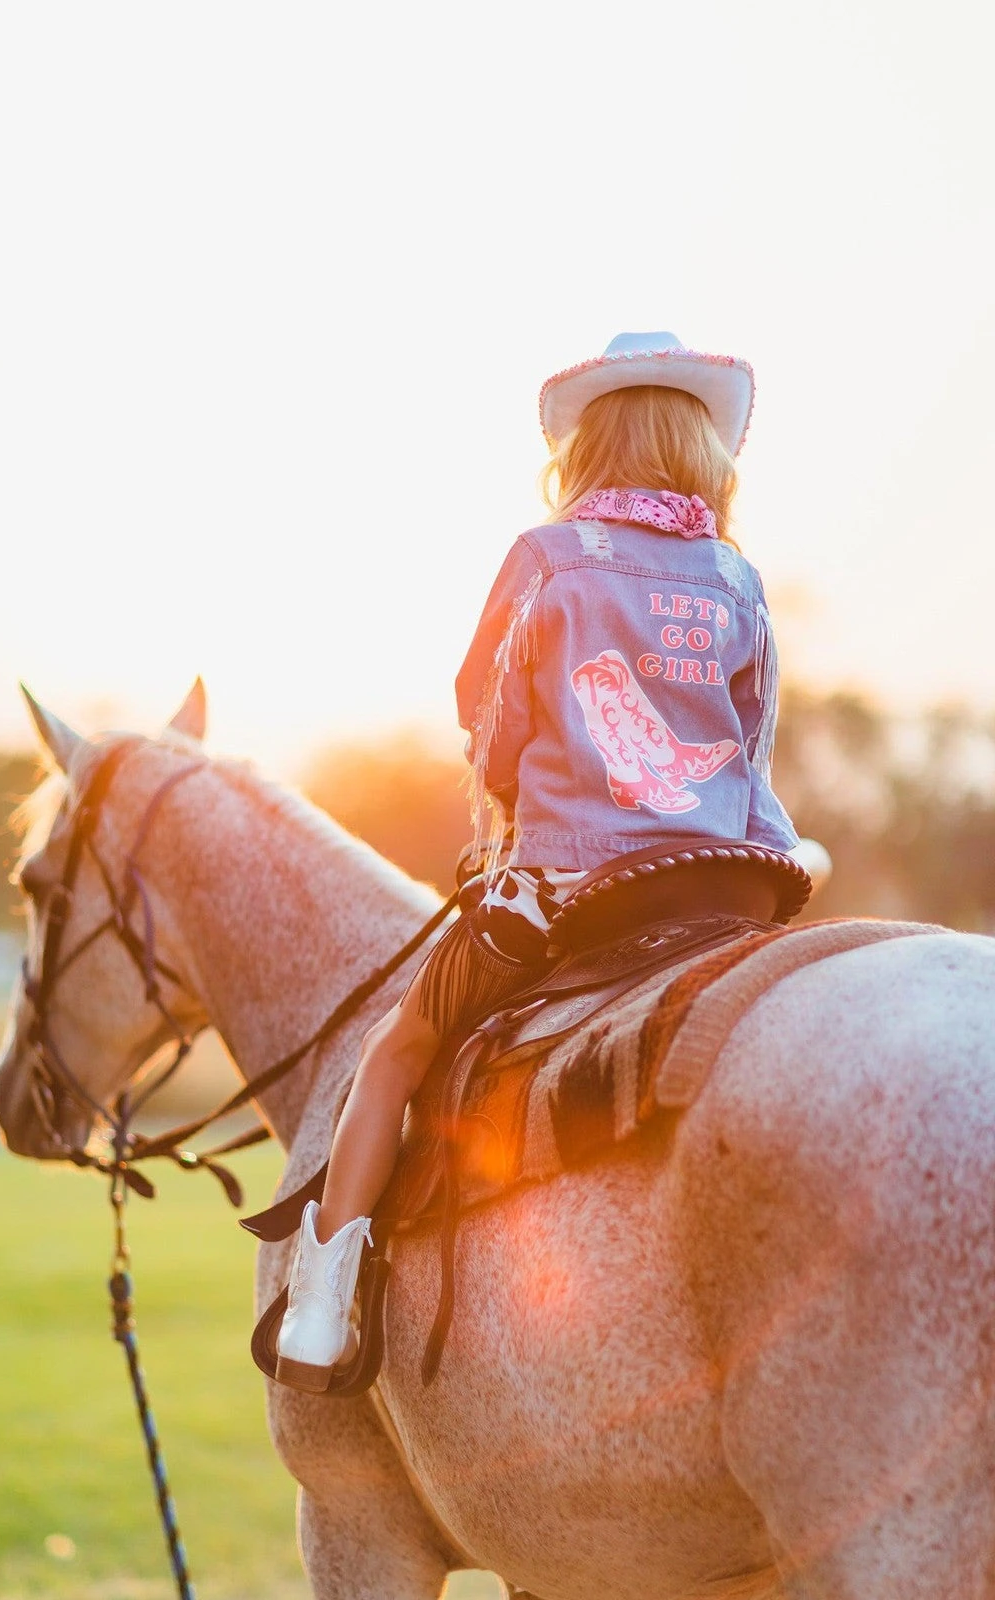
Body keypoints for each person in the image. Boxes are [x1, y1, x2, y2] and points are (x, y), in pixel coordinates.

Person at [274, 328, 801, 1392]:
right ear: (703, 451)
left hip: (579, 884)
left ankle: (319, 1310)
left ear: (588, 447)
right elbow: (752, 741)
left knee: (398, 1051)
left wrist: (507, 797)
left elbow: (491, 711)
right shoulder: (736, 576)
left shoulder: (551, 557)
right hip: (737, 882)